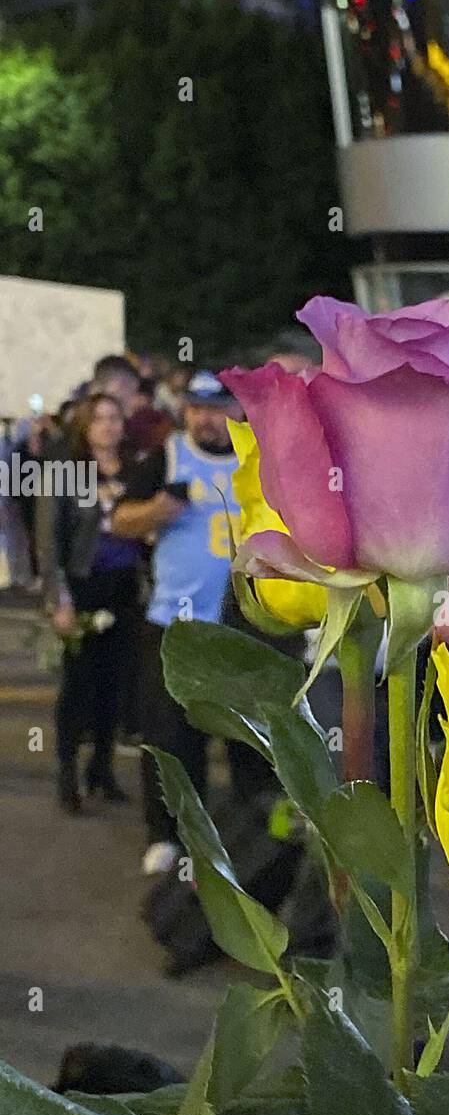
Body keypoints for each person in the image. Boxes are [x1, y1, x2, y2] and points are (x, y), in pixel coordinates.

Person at [112, 370, 241, 875]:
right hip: (176, 625)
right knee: (170, 737)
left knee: (247, 740)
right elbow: (120, 519)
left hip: (244, 628)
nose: (204, 418)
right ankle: (166, 835)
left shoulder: (260, 460)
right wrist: (157, 510)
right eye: (195, 408)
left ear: (238, 409)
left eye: (216, 407)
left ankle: (246, 833)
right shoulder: (166, 457)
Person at [36, 394, 146, 813]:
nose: (107, 426)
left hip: (125, 586)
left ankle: (102, 767)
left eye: (115, 418)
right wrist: (58, 599)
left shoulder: (135, 471)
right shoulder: (65, 473)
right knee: (78, 683)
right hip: (84, 584)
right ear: (84, 426)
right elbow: (49, 543)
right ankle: (67, 770)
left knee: (115, 684)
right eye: (98, 419)